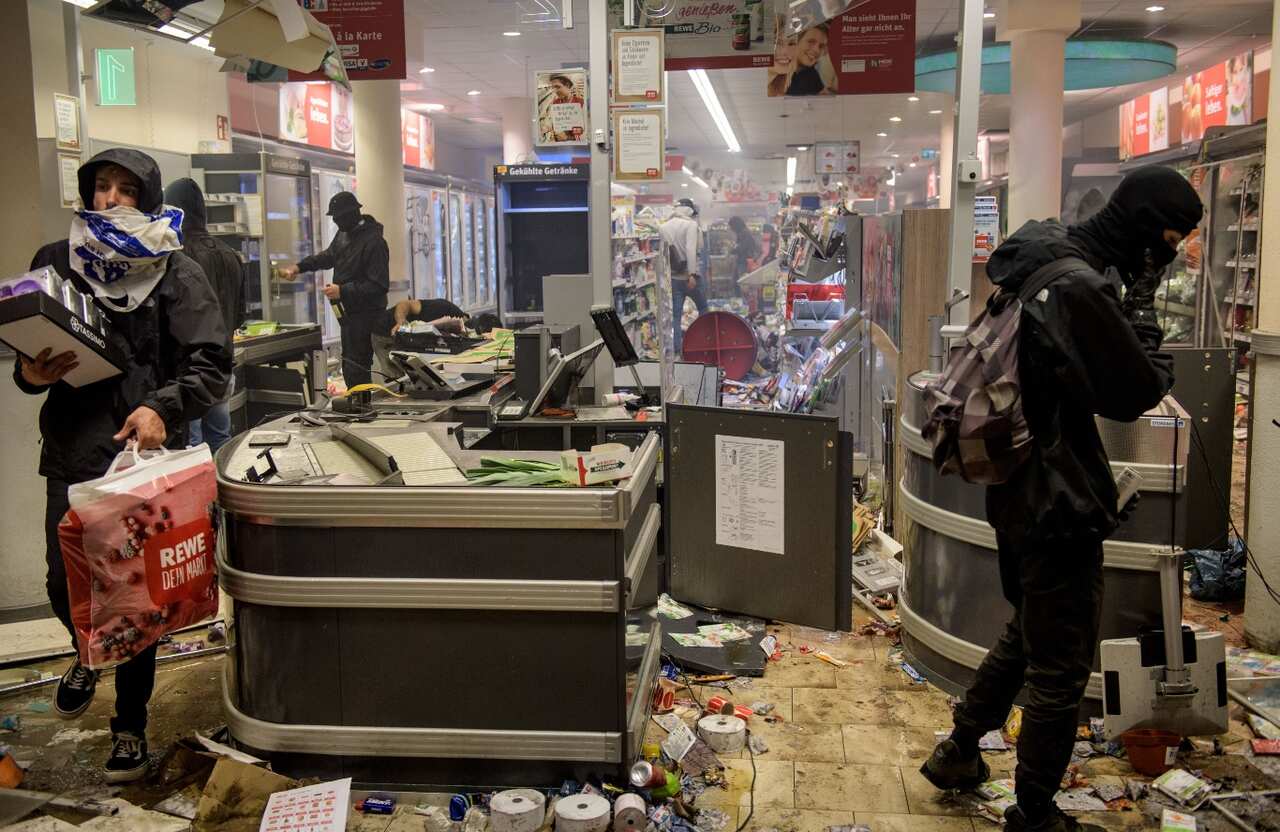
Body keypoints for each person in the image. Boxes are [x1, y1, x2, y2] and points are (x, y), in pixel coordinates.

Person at [919, 166, 1203, 832]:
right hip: (1057, 498)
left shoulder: (1044, 247)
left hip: (1016, 485)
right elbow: (1137, 387)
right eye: (1166, 240)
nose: (1166, 255)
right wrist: (1141, 300)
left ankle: (961, 747)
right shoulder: (1082, 291)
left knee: (1034, 626)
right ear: (1142, 230)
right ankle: (1036, 809)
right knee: (1062, 663)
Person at [13, 148, 230, 783]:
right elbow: (30, 349)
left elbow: (211, 365)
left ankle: (129, 725)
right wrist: (30, 374)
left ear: (147, 197)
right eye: (101, 187)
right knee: (63, 582)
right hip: (76, 450)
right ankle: (86, 650)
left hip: (145, 461)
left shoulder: (176, 271)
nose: (110, 199)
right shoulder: (57, 261)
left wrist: (163, 406)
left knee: (138, 603)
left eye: (125, 189)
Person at [163, 178, 244, 452]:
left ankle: (203, 497)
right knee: (222, 441)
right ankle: (225, 495)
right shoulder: (231, 255)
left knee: (192, 445)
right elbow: (240, 316)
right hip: (223, 365)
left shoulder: (178, 257)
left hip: (190, 373)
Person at [279, 192, 388, 389]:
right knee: (351, 365)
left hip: (366, 316)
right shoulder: (345, 234)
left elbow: (379, 286)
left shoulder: (374, 242)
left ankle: (362, 408)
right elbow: (329, 256)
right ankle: (359, 406)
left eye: (339, 218)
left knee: (356, 367)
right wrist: (299, 267)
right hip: (348, 314)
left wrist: (343, 291)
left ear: (352, 214)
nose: (337, 223)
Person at [659, 197, 707, 353]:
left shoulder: (663, 227)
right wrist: (692, 274)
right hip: (690, 278)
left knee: (676, 317)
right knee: (703, 309)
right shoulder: (691, 225)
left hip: (673, 277)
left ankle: (678, 351)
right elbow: (691, 250)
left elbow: (664, 256)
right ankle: (703, 342)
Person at [728, 216, 760, 283]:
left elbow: (742, 248)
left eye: (731, 226)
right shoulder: (743, 233)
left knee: (741, 283)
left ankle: (740, 293)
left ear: (736, 225)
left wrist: (732, 250)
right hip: (742, 261)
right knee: (737, 282)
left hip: (744, 262)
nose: (731, 229)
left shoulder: (744, 233)